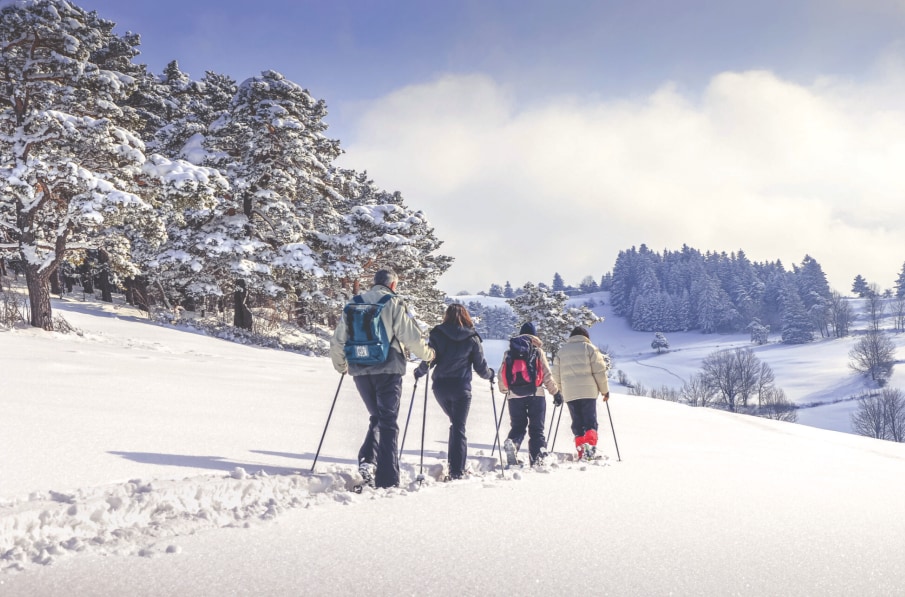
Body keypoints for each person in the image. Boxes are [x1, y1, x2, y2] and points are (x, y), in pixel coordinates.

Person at [330, 269, 435, 488]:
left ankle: (367, 461)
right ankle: (387, 480)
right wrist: (429, 355)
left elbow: (339, 338)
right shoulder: (393, 302)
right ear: (393, 285)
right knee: (388, 422)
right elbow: (411, 337)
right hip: (388, 368)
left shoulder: (354, 302)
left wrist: (341, 365)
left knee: (377, 416)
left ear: (374, 282)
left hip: (359, 369)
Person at [414, 303, 494, 480]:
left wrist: (419, 372)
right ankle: (456, 470)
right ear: (465, 316)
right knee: (459, 426)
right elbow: (481, 367)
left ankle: (454, 465)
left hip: (440, 388)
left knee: (456, 425)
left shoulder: (437, 334)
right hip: (461, 388)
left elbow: (430, 359)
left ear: (446, 316)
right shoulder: (473, 338)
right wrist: (490, 375)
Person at [498, 322, 561, 466]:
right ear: (535, 335)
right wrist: (555, 392)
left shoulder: (509, 352)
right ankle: (537, 458)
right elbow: (546, 374)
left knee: (518, 426)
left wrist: (505, 390)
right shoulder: (537, 350)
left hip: (514, 395)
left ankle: (513, 443)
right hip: (536, 394)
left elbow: (501, 375)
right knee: (537, 429)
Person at [552, 326, 610, 461]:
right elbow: (599, 371)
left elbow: (556, 375)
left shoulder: (561, 352)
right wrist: (604, 391)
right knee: (590, 421)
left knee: (577, 422)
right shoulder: (590, 348)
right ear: (586, 336)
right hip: (588, 392)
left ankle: (581, 451)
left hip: (570, 393)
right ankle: (590, 447)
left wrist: (561, 390)